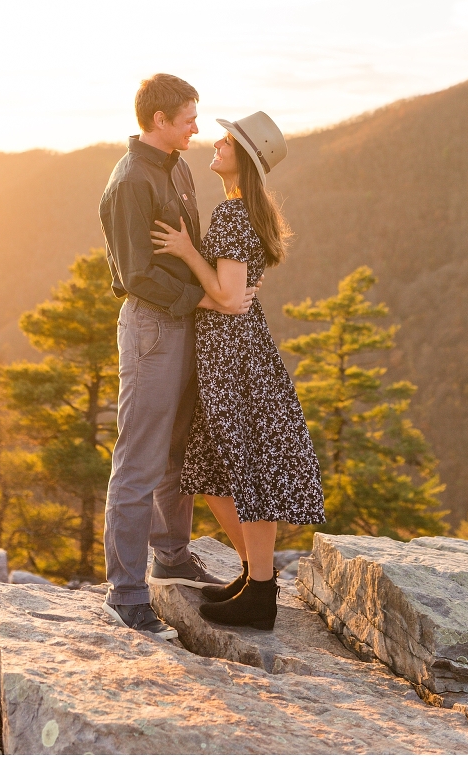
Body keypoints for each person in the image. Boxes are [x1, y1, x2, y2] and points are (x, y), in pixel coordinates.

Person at [98, 74, 260, 640]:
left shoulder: (179, 167)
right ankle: (125, 593)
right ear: (159, 120)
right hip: (152, 329)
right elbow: (134, 275)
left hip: (187, 325)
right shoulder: (130, 181)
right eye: (188, 118)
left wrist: (227, 284)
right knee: (139, 458)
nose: (196, 126)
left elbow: (190, 249)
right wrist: (208, 297)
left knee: (176, 451)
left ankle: (170, 557)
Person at [151, 110, 325, 631]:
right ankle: (256, 578)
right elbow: (235, 290)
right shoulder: (246, 210)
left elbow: (228, 298)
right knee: (213, 469)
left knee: (242, 468)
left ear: (244, 159)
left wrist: (187, 252)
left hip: (235, 357)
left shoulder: (233, 214)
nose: (216, 144)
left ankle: (262, 593)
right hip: (236, 352)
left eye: (227, 142)